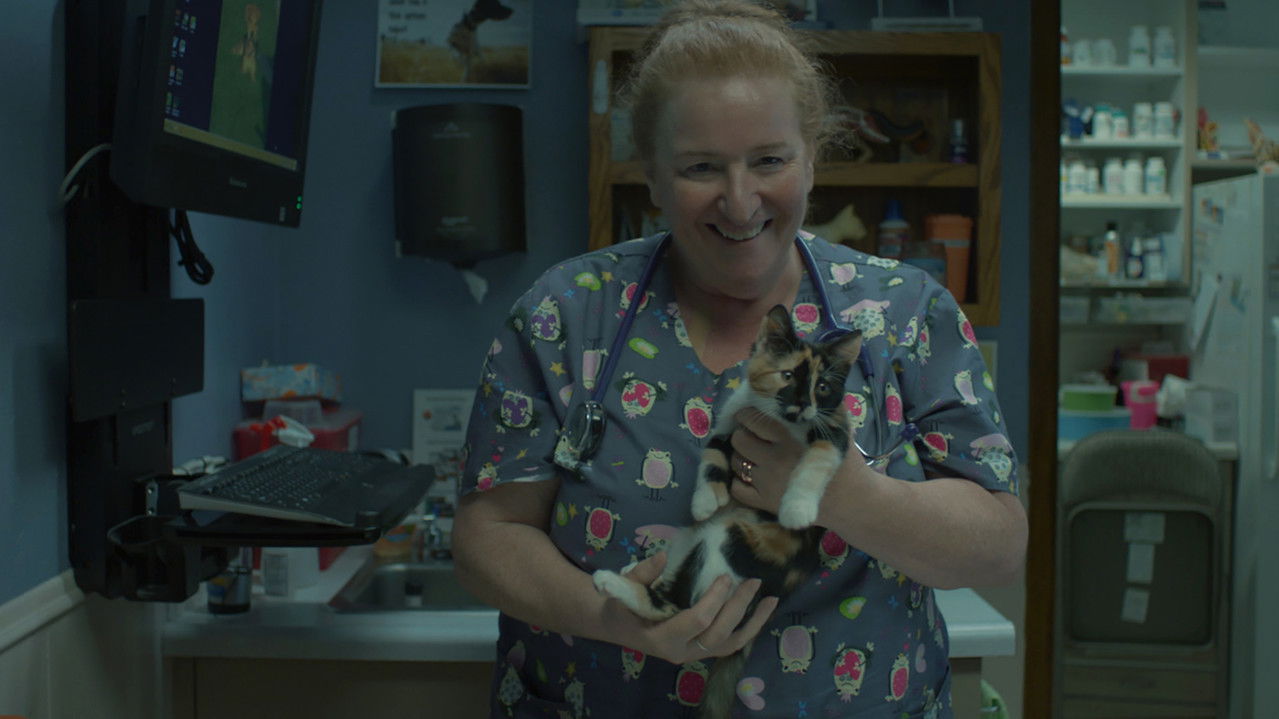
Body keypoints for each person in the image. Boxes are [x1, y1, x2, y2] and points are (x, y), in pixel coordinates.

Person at [452, 1, 1028, 716]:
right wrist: (613, 619)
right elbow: (486, 535)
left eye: (769, 160)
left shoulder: (904, 314)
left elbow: (997, 548)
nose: (739, 200)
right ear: (652, 176)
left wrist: (841, 491)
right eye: (700, 167)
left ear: (811, 159)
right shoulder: (565, 314)